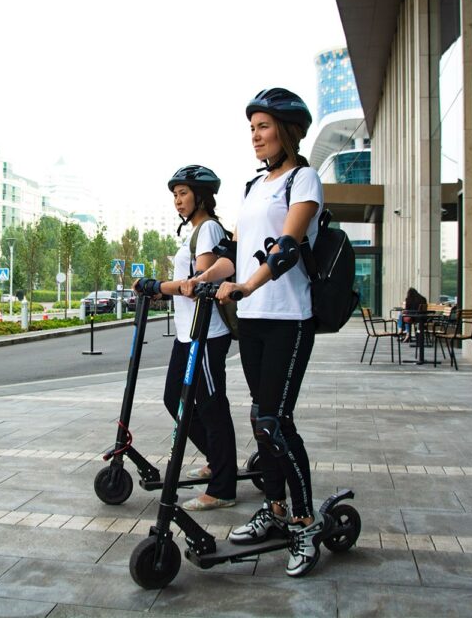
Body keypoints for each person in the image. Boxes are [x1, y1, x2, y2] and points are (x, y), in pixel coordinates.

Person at [185, 88, 324, 577]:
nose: (256, 136)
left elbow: (286, 247)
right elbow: (235, 253)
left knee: (276, 421)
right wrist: (201, 280)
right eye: (252, 128)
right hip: (254, 319)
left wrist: (247, 285)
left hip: (289, 316)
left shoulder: (304, 179)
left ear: (286, 131)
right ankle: (277, 508)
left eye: (263, 127)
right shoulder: (252, 186)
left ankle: (305, 522)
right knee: (258, 419)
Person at [135, 165, 237, 511]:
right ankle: (216, 458)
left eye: (183, 193)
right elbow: (184, 286)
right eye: (175, 195)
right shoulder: (194, 232)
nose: (177, 201)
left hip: (206, 335)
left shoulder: (207, 229)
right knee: (172, 398)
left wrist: (158, 286)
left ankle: (223, 486)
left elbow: (198, 286)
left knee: (211, 405)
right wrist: (161, 290)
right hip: (187, 334)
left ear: (201, 196)